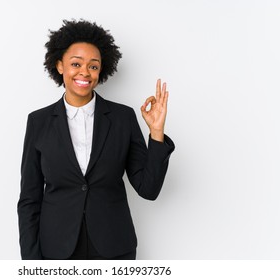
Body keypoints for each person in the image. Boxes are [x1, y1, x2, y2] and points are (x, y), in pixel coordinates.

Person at [18, 19, 175, 260]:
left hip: (114, 249)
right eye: (76, 64)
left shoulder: (122, 118)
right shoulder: (38, 122)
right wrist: (32, 265)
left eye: (93, 66)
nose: (84, 72)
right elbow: (29, 199)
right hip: (57, 251)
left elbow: (148, 188)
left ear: (102, 69)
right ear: (60, 65)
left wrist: (156, 133)